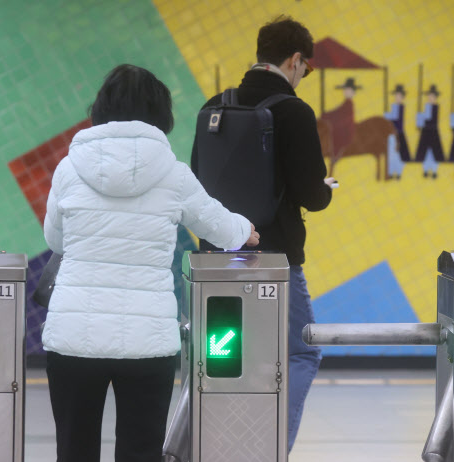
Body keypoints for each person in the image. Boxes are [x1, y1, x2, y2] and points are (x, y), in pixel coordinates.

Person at [43, 64, 260, 462]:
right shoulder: (173, 174)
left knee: (74, 450)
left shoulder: (68, 169)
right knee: (141, 451)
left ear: (100, 108)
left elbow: (55, 240)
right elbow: (219, 227)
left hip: (72, 336)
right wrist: (245, 229)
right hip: (147, 341)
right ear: (161, 113)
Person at [191, 15, 335, 452]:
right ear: (294, 60)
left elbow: (196, 181)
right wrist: (324, 192)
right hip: (276, 260)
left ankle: (220, 448)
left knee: (226, 361)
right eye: (306, 69)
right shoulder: (293, 111)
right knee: (299, 353)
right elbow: (312, 195)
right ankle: (267, 450)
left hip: (217, 259)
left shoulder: (213, 105)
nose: (304, 77)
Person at [415, 85, 445, 178]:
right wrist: (419, 118)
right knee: (425, 153)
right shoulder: (427, 106)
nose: (430, 98)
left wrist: (420, 116)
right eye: (429, 96)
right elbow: (421, 122)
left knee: (434, 153)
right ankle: (426, 170)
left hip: (433, 131)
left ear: (435, 97)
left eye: (432, 96)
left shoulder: (434, 107)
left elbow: (427, 117)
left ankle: (434, 170)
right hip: (426, 131)